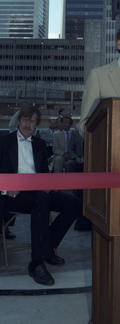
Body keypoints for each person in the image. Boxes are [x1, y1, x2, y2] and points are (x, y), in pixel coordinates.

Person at [0, 103, 80, 285]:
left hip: (37, 192)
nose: (29, 125)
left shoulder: (40, 144)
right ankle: (36, 263)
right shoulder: (4, 142)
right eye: (26, 120)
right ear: (19, 120)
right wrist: (6, 187)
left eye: (33, 122)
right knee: (41, 200)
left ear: (37, 125)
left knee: (74, 204)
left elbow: (44, 173)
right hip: (12, 196)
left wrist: (49, 185)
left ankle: (48, 247)